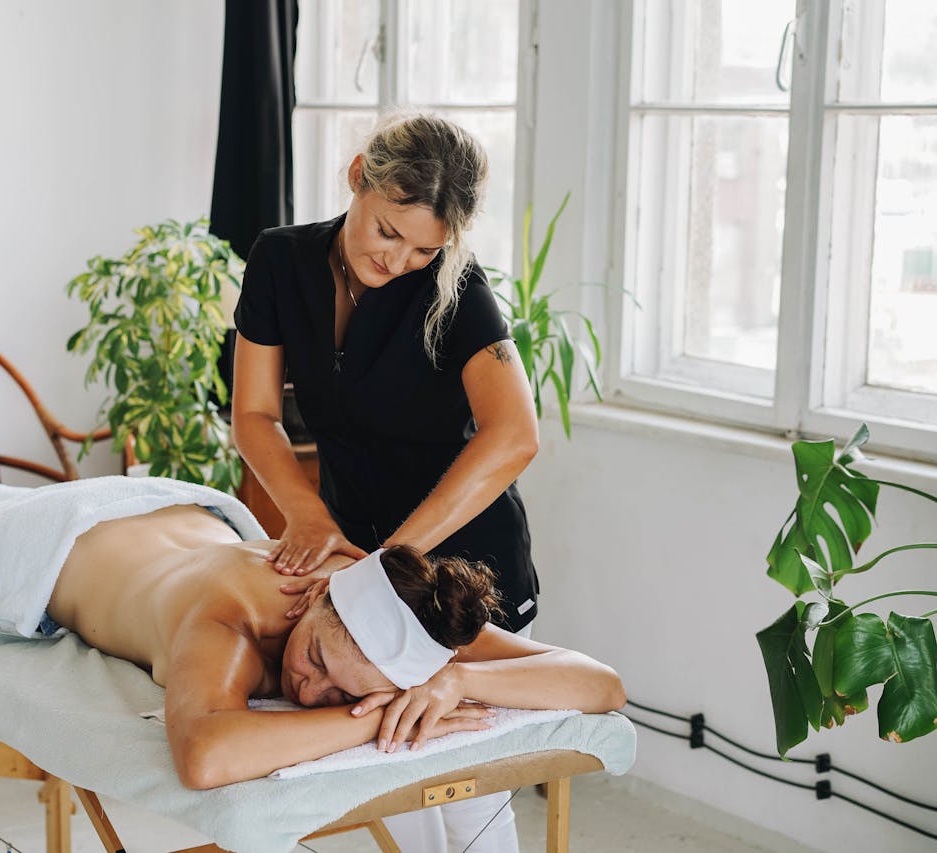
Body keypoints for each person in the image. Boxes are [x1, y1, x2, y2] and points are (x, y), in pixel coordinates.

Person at [231, 112, 543, 848]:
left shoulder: (455, 288)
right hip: (356, 558)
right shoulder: (281, 261)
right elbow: (253, 414)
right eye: (386, 231)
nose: (398, 259)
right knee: (384, 778)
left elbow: (514, 435)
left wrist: (391, 559)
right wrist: (306, 515)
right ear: (357, 178)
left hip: (464, 570)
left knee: (465, 794)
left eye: (424, 248)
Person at [42, 500, 624, 792]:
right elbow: (204, 757)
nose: (308, 690)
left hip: (195, 519)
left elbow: (602, 684)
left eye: (345, 695)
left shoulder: (402, 613)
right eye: (315, 657)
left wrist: (460, 680)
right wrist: (374, 720)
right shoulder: (229, 619)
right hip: (69, 535)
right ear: (319, 593)